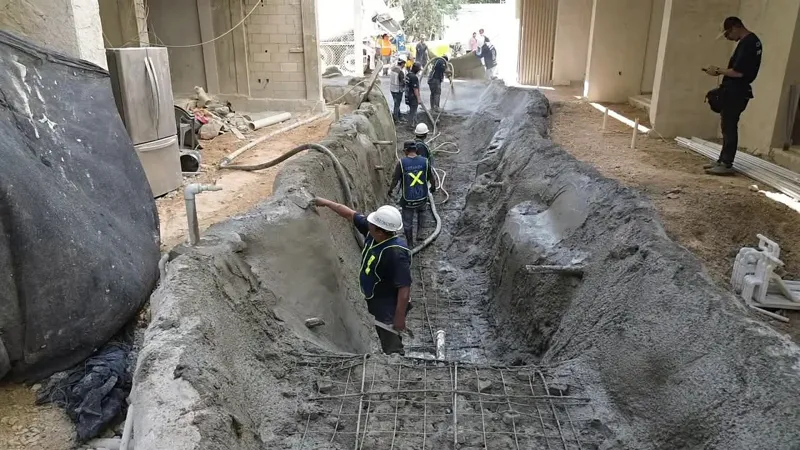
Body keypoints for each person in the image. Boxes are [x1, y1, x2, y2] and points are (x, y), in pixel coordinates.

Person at [312, 199, 412, 355]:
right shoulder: (374, 233)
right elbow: (350, 214)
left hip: (389, 303)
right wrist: (325, 202)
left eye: (371, 223)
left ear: (380, 231)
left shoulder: (396, 253)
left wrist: (399, 317)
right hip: (376, 295)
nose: (367, 223)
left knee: (389, 335)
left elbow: (404, 289)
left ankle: (396, 360)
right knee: (382, 328)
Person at [703, 16, 762, 176]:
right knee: (727, 126)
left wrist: (718, 70)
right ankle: (722, 160)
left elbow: (739, 72)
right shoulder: (752, 42)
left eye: (728, 34)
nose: (728, 38)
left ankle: (726, 164)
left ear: (735, 27)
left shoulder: (747, 44)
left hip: (736, 91)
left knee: (729, 127)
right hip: (738, 90)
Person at [389, 141, 438, 247]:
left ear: (406, 151)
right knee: (422, 212)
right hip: (422, 197)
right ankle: (420, 234)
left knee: (407, 222)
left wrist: (390, 190)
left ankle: (410, 244)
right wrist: (433, 188)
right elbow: (432, 177)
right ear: (416, 149)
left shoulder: (401, 163)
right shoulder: (425, 161)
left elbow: (395, 180)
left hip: (408, 200)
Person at [405, 63, 422, 129]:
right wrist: (418, 99)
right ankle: (409, 125)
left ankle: (414, 123)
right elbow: (415, 89)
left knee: (413, 111)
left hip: (407, 95)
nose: (419, 71)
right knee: (412, 111)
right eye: (419, 69)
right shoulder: (414, 77)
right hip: (412, 97)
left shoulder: (408, 75)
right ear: (416, 69)